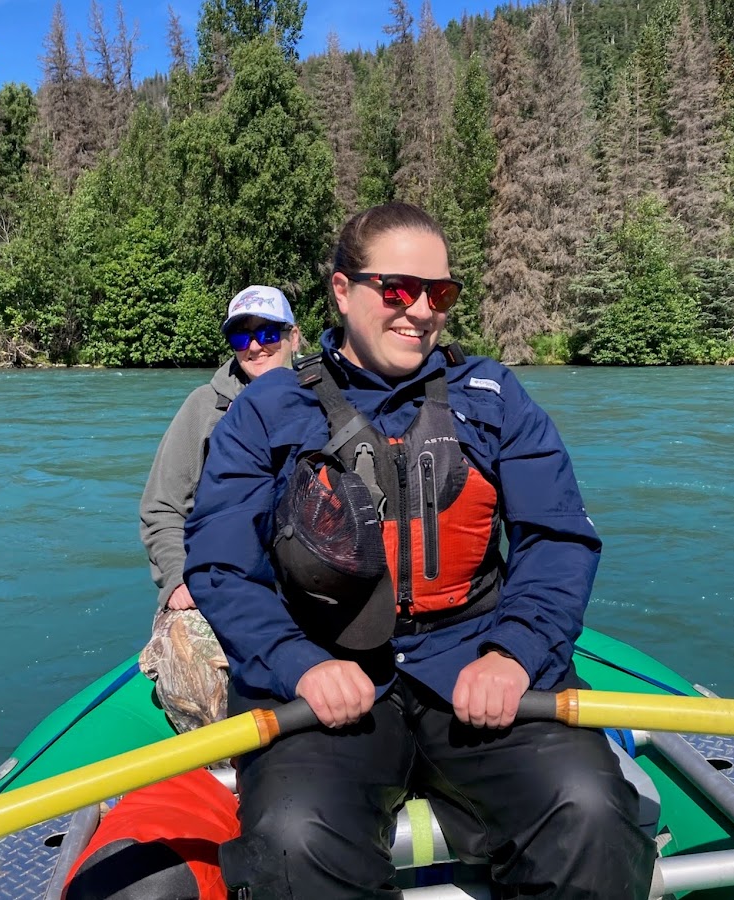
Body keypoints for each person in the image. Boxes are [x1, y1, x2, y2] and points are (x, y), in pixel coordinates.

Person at [183, 203, 656, 899]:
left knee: (589, 812)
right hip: (325, 679)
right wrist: (297, 663)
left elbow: (558, 538)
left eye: (441, 293)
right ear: (343, 291)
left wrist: (515, 652)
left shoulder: (495, 397)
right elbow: (221, 566)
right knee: (294, 837)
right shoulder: (266, 409)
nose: (422, 311)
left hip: (475, 664)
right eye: (398, 290)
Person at [139, 285, 300, 732]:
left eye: (268, 333)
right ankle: (227, 755)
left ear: (294, 337)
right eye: (241, 336)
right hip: (215, 582)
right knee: (186, 663)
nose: (255, 346)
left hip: (304, 582)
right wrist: (177, 578)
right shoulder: (202, 408)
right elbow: (161, 508)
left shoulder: (325, 398)